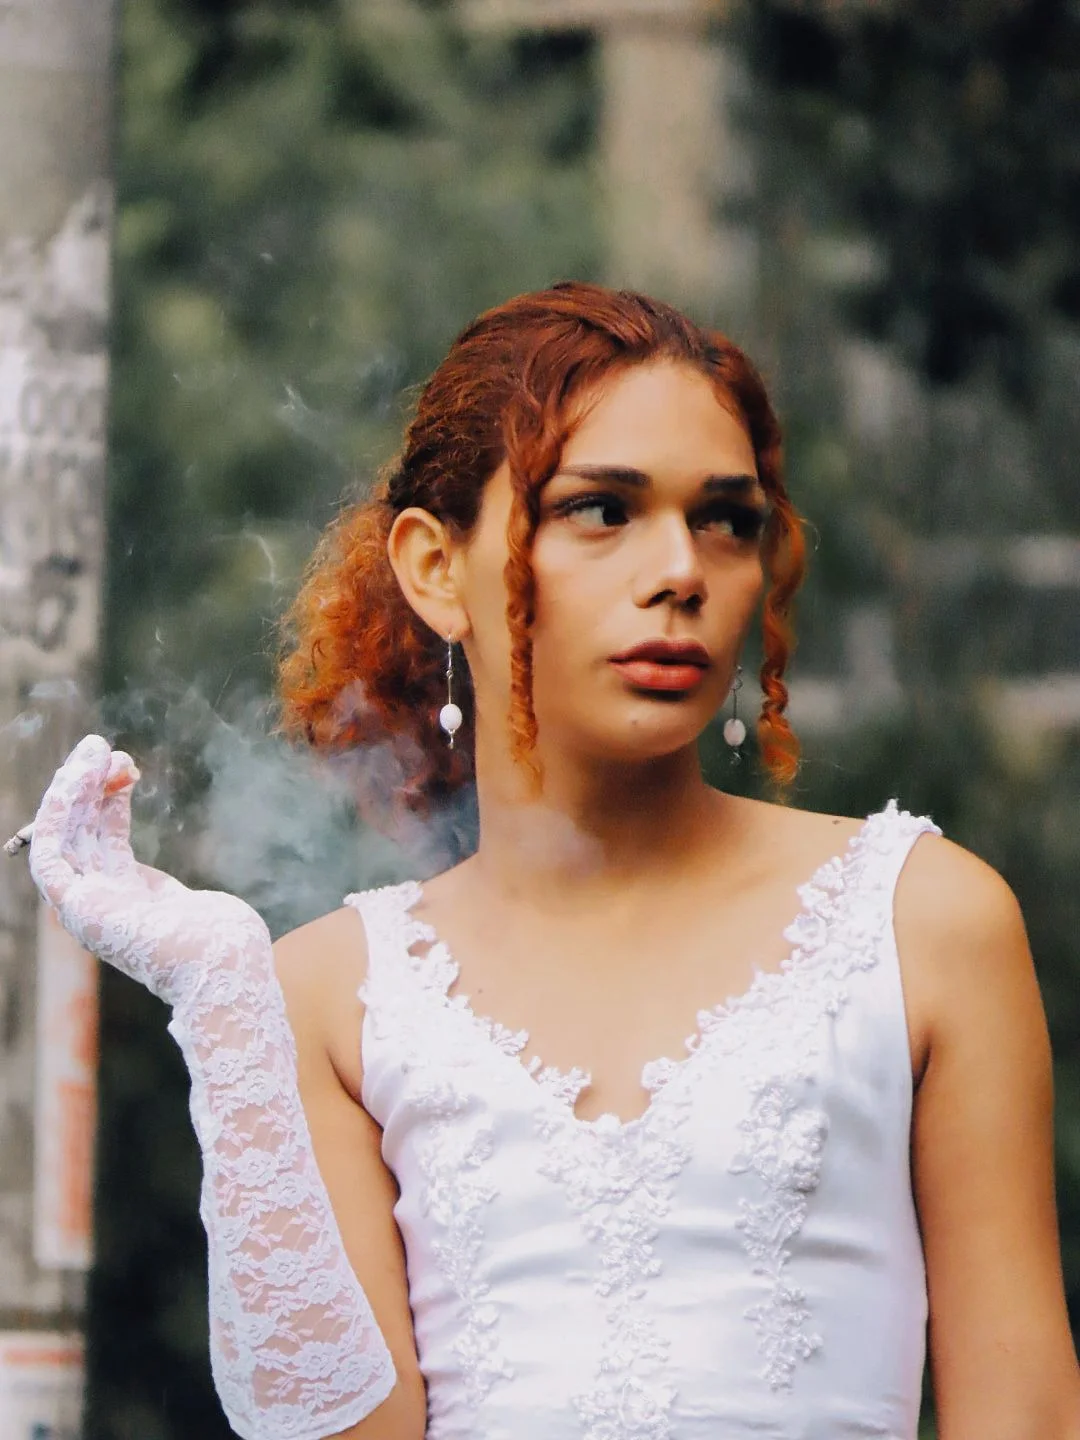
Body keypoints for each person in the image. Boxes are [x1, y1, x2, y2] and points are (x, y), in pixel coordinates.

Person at [27, 282, 1080, 1440]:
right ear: (436, 568)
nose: (680, 569)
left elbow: (1026, 1414)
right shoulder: (327, 999)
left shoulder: (923, 923)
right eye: (601, 509)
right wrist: (226, 1006)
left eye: (726, 521)